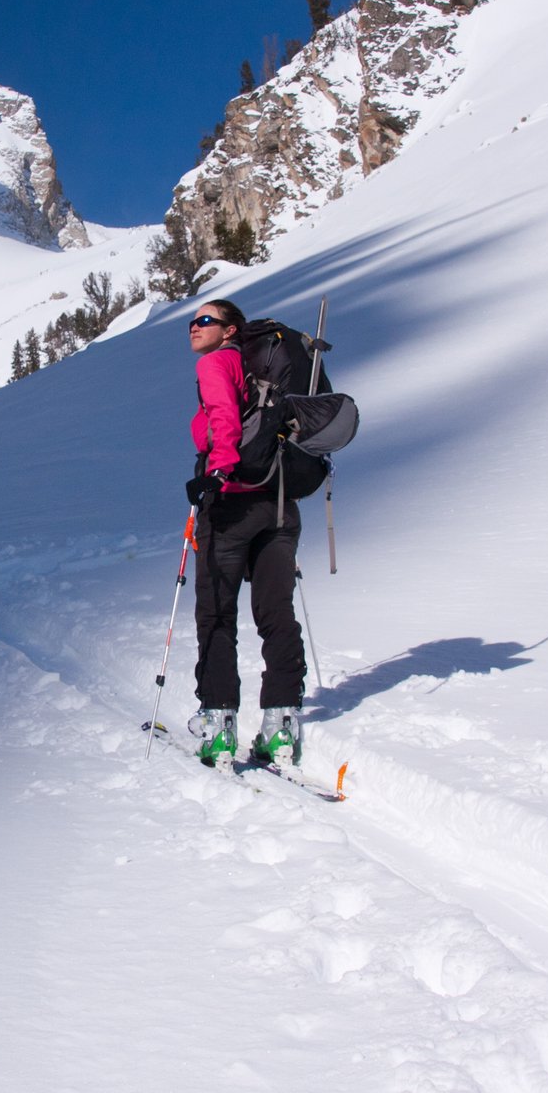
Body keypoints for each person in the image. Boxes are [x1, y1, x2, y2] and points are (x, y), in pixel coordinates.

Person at [181, 299, 305, 767]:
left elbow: (222, 418)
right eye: (192, 321)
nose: (195, 328)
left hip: (231, 501)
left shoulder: (218, 363)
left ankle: (218, 725)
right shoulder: (263, 373)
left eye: (206, 320)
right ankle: (282, 724)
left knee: (216, 614)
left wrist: (217, 472)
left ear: (231, 331)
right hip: (278, 503)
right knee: (276, 613)